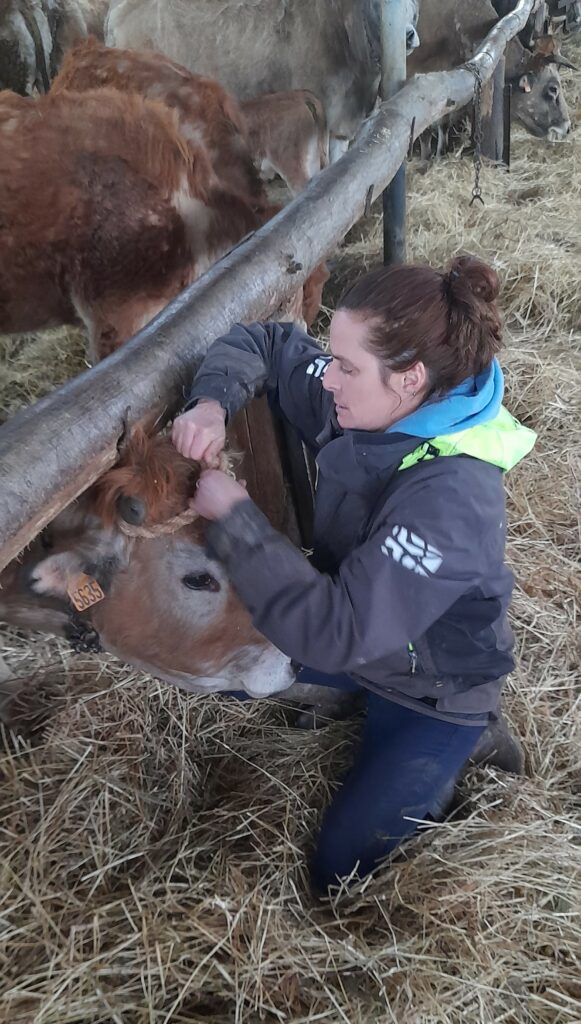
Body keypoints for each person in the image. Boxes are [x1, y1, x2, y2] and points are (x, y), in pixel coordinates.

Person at [171, 254, 536, 892]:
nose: (329, 380)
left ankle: (472, 738)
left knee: (339, 871)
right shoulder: (374, 402)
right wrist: (211, 402)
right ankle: (355, 697)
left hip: (433, 690)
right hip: (365, 639)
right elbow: (269, 343)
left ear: (409, 378)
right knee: (210, 668)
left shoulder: (451, 500)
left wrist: (237, 520)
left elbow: (339, 630)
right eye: (333, 359)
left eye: (346, 366)